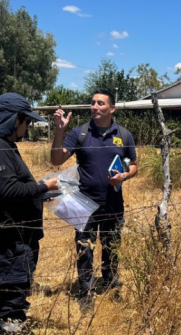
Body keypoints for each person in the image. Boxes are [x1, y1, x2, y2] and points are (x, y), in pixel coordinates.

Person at [0, 93, 59, 335]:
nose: (27, 128)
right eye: (26, 122)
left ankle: (0, 334)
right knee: (13, 290)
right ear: (14, 120)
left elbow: (10, 188)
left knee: (7, 288)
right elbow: (9, 191)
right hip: (9, 237)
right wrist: (43, 187)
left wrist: (39, 193)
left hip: (13, 233)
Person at [50, 90, 138, 312]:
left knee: (112, 247)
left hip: (113, 204)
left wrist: (124, 175)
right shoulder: (79, 133)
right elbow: (56, 159)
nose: (95, 107)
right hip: (84, 204)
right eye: (93, 103)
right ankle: (86, 291)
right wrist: (59, 131)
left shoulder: (124, 135)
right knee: (84, 250)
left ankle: (111, 285)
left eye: (100, 103)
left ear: (112, 108)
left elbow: (132, 164)